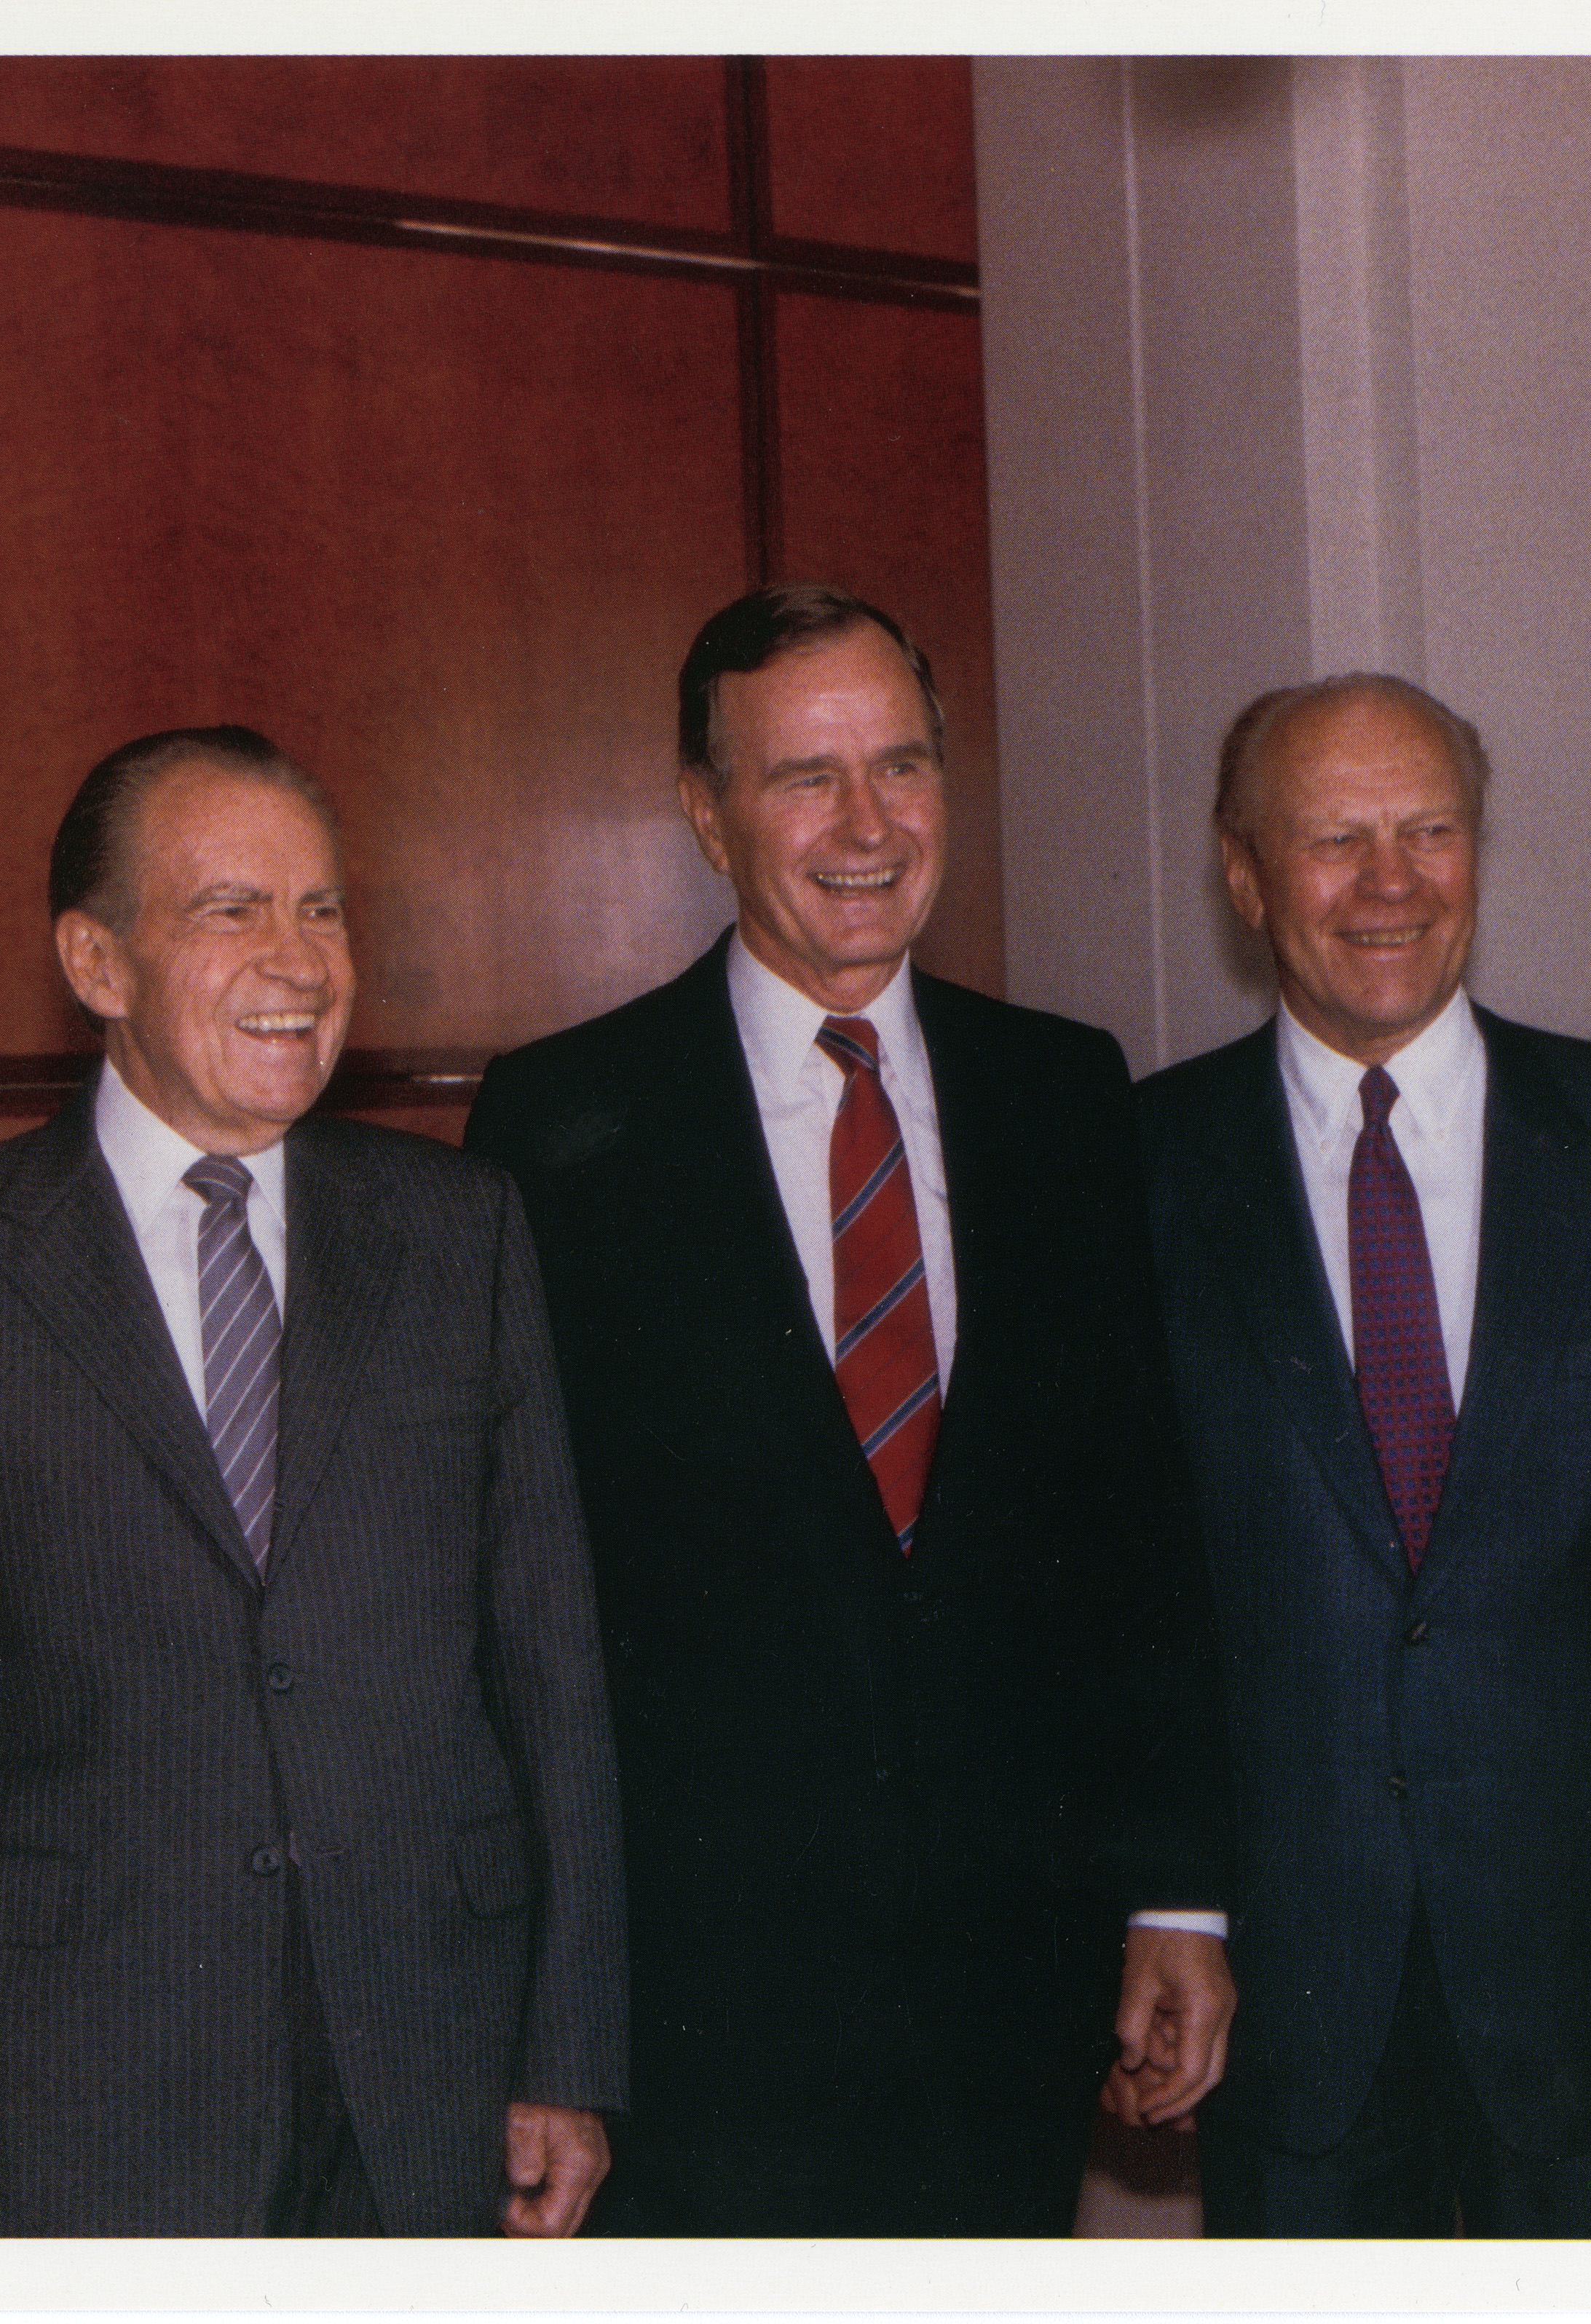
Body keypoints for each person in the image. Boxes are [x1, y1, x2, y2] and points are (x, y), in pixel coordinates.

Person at [465, 584, 1234, 2235]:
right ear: (706, 813)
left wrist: (1176, 1891)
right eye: (807, 776)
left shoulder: (1065, 1094)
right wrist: (555, 2007)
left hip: (1010, 1985)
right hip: (698, 2010)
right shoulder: (560, 1128)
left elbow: (1136, 1526)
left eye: (903, 765)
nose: (868, 823)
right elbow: (517, 1602)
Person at [0, 725, 628, 2235]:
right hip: (72, 2080)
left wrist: (569, 2049)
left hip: (427, 2057)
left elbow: (551, 1663)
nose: (302, 960)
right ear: (96, 960)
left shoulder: (462, 1236)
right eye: (232, 910)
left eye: (323, 909)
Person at [1135, 673, 1591, 2236]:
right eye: (1335, 841)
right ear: (1245, 876)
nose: (1390, 883)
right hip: (1289, 1991)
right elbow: (1125, 1592)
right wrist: (1172, 1897)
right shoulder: (1133, 1174)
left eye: (1430, 832)